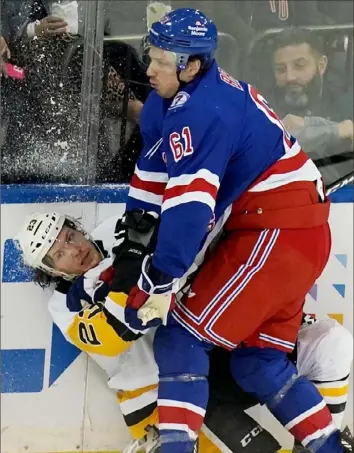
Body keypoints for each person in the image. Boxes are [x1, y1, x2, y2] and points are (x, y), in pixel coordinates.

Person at [117, 7, 347, 453]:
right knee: (257, 362)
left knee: (180, 335)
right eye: (152, 55)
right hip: (295, 235)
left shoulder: (204, 112)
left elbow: (190, 209)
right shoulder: (174, 102)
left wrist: (157, 279)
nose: (150, 69)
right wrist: (131, 244)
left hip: (276, 234)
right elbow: (150, 176)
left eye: (162, 61)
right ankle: (329, 448)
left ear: (192, 65)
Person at [15, 210, 353, 453]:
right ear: (52, 271)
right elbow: (114, 335)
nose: (75, 250)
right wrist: (136, 275)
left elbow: (188, 246)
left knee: (329, 343)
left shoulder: (119, 228)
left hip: (217, 354)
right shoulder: (65, 305)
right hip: (161, 395)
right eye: (59, 254)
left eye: (70, 236)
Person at [269, 27, 353, 157]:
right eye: (281, 69)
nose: (290, 77)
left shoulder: (344, 98)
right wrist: (336, 130)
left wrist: (310, 124)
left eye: (299, 66)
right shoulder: (263, 106)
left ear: (321, 65)